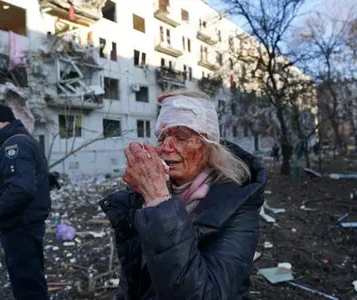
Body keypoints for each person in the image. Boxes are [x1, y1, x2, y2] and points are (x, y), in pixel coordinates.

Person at [100, 89, 267, 299]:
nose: (166, 147)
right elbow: (135, 278)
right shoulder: (144, 196)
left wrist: (159, 201)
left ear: (209, 147)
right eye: (161, 137)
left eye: (181, 137)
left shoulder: (237, 204)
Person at [0, 103, 50, 300]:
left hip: (20, 227)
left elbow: (20, 188)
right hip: (24, 226)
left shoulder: (15, 145)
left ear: (3, 122)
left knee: (27, 287)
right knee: (31, 282)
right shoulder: (24, 141)